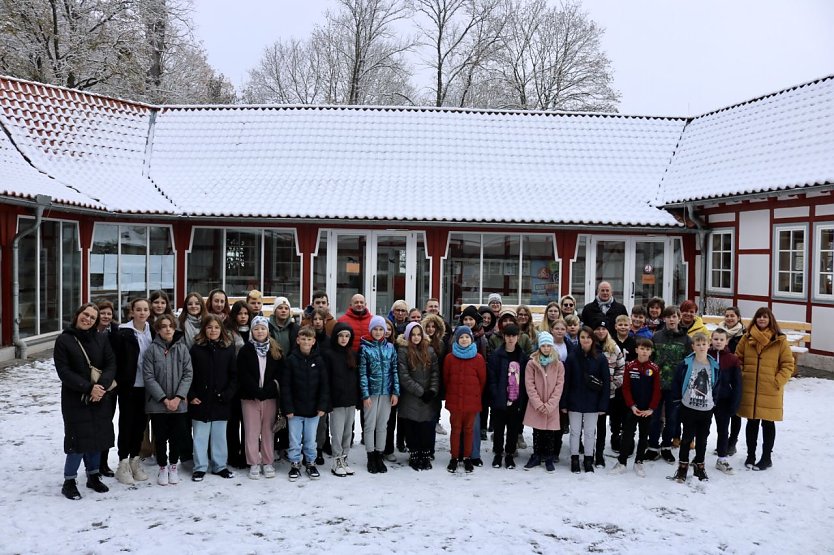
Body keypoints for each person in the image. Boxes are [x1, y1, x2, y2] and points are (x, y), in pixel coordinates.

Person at [54, 303, 116, 499]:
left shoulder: (101, 338)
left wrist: (101, 387)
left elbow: (111, 364)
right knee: (77, 440)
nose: (87, 319)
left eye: (92, 317)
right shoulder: (64, 340)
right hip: (76, 398)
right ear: (77, 315)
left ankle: (93, 476)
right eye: (85, 314)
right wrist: (89, 388)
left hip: (100, 396)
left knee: (97, 439)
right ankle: (69, 481)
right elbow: (64, 372)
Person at [735, 307, 794, 471]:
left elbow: (788, 364)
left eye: (765, 317)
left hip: (770, 389)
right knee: (752, 422)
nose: (762, 319)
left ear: (770, 320)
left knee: (768, 424)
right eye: (759, 317)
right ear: (755, 319)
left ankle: (766, 457)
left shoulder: (779, 340)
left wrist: (777, 381)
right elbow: (737, 358)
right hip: (750, 387)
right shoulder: (746, 338)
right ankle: (751, 455)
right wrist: (743, 374)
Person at [142, 314, 192, 486]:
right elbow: (148, 377)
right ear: (158, 329)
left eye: (170, 325)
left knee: (176, 436)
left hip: (178, 403)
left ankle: (173, 466)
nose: (168, 329)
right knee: (161, 437)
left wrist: (178, 398)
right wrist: (164, 399)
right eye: (163, 326)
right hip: (158, 404)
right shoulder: (151, 350)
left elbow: (188, 374)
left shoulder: (182, 348)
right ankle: (162, 466)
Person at [188, 314, 237, 482]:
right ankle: (200, 467)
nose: (213, 330)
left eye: (216, 327)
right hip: (200, 400)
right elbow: (189, 374)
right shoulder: (196, 349)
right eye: (209, 327)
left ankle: (220, 465)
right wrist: (191, 395)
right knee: (200, 436)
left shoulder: (228, 349)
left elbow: (234, 376)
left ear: (221, 330)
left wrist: (228, 394)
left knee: (219, 436)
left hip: (221, 400)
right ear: (204, 330)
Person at [113, 298, 153, 485]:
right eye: (138, 309)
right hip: (129, 387)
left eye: (145, 309)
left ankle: (134, 460)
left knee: (140, 425)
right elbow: (117, 360)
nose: (142, 313)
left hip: (147, 387)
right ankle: (122, 463)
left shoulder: (151, 331)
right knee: (127, 424)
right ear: (132, 312)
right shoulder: (123, 332)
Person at [237, 316, 283, 480]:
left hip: (269, 397)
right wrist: (256, 390)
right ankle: (254, 462)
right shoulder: (245, 350)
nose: (260, 331)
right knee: (251, 431)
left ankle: (268, 461)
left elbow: (279, 373)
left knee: (268, 431)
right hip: (250, 397)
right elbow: (243, 374)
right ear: (252, 331)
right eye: (256, 329)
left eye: (263, 328)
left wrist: (268, 390)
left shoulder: (275, 350)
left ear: (267, 331)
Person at [282, 326, 330, 481]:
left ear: (314, 341)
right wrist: (287, 408)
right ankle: (295, 462)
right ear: (297, 340)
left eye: (309, 339)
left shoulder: (319, 360)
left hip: (313, 410)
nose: (306, 342)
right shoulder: (291, 360)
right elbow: (286, 386)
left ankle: (310, 462)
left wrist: (322, 406)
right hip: (295, 411)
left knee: (310, 439)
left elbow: (324, 385)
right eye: (303, 338)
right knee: (294, 439)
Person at [645, 305, 692, 464]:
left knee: (672, 419)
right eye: (669, 317)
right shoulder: (656, 337)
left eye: (674, 317)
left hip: (675, 387)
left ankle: (666, 446)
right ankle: (652, 446)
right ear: (664, 319)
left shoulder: (686, 340)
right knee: (655, 417)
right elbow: (650, 361)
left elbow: (689, 364)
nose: (671, 320)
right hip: (656, 386)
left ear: (679, 319)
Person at [671, 332, 719, 483]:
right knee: (687, 438)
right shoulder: (686, 364)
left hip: (706, 409)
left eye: (704, 344)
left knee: (703, 439)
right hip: (689, 407)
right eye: (698, 344)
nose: (701, 347)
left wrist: (714, 402)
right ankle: (683, 466)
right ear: (693, 346)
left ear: (708, 345)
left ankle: (699, 464)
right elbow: (677, 381)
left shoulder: (713, 365)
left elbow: (717, 385)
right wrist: (678, 400)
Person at [561, 327, 610, 474]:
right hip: (574, 401)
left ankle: (589, 458)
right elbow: (566, 381)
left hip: (593, 402)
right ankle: (574, 458)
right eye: (582, 337)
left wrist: (603, 404)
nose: (585, 340)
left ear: (593, 339)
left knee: (589, 432)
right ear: (579, 338)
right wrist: (564, 403)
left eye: (588, 337)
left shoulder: (600, 358)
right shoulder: (572, 357)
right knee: (575, 432)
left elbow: (606, 383)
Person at [611, 338, 660, 477]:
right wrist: (632, 406)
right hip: (631, 409)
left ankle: (639, 461)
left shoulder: (654, 368)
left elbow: (657, 391)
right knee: (627, 435)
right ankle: (622, 462)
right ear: (636, 350)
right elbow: (625, 388)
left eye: (647, 349)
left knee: (644, 436)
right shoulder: (630, 366)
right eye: (642, 348)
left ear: (651, 352)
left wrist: (651, 409)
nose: (644, 352)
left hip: (647, 411)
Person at [396, 322, 440, 470]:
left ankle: (425, 454)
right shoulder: (403, 351)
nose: (416, 337)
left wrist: (432, 390)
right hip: (411, 397)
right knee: (412, 428)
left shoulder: (430, 350)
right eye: (413, 334)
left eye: (418, 334)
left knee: (426, 428)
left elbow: (435, 372)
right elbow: (404, 376)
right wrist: (420, 392)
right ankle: (414, 454)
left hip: (428, 396)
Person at [359, 315, 400, 474]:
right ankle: (370, 455)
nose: (378, 332)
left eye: (380, 329)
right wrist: (365, 394)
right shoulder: (365, 348)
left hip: (386, 392)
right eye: (375, 329)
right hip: (372, 393)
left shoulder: (390, 347)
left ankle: (379, 453)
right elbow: (362, 373)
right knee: (370, 425)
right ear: (371, 330)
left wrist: (395, 391)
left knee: (383, 425)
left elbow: (394, 370)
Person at [444, 326, 486, 474]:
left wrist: (473, 395)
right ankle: (454, 457)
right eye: (461, 337)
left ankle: (467, 457)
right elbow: (446, 379)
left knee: (469, 430)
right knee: (455, 430)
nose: (464, 339)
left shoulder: (478, 358)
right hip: (455, 401)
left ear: (471, 339)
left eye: (467, 337)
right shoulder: (450, 358)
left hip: (471, 403)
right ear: (457, 339)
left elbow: (482, 381)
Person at [522, 332, 565, 473]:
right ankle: (536, 455)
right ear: (539, 347)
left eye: (548, 345)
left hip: (552, 405)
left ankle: (548, 457)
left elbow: (559, 386)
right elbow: (530, 385)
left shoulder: (558, 364)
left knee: (550, 433)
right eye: (543, 345)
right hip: (537, 404)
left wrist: (551, 404)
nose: (546, 348)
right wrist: (538, 404)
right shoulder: (532, 363)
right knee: (538, 431)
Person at [488, 324, 529, 469]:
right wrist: (495, 394)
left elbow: (525, 379)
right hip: (499, 399)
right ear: (504, 337)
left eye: (513, 336)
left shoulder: (522, 357)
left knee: (513, 429)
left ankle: (510, 454)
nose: (511, 339)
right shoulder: (496, 355)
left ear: (518, 337)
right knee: (498, 429)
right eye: (508, 336)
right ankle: (498, 453)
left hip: (516, 399)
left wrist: (522, 398)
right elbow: (492, 377)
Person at [325, 323, 360, 477]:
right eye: (341, 335)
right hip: (336, 401)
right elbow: (326, 380)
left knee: (348, 433)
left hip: (350, 400)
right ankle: (336, 460)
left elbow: (357, 378)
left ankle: (344, 459)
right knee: (337, 433)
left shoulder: (352, 354)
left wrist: (358, 398)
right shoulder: (329, 355)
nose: (344, 339)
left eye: (347, 336)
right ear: (336, 337)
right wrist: (328, 400)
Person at [709, 328, 742, 475]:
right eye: (716, 339)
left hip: (723, 400)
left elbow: (737, 384)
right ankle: (698, 457)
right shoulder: (705, 355)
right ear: (711, 339)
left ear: (726, 341)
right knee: (702, 429)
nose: (718, 342)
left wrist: (734, 404)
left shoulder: (732, 359)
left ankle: (722, 458)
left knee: (723, 430)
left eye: (721, 339)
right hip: (706, 399)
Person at [592, 322, 625, 468]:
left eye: (603, 329)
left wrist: (611, 386)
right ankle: (588, 452)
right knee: (589, 426)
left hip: (608, 395)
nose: (600, 331)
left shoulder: (614, 347)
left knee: (601, 425)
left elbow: (621, 370)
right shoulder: (589, 346)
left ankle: (599, 455)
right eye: (597, 329)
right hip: (590, 394)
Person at [95, 300, 119, 477]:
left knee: (106, 424)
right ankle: (93, 464)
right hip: (92, 384)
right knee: (94, 424)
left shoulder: (117, 332)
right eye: (102, 313)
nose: (105, 316)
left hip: (111, 385)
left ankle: (103, 462)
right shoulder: (89, 332)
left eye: (109, 313)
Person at [225, 300, 251, 469]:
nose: (243, 317)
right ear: (234, 315)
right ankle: (233, 454)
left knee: (249, 422)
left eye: (246, 314)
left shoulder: (256, 329)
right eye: (240, 313)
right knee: (233, 421)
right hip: (233, 381)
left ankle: (248, 454)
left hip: (250, 382)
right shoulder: (228, 332)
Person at [722, 306, 746, 453]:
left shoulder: (743, 334)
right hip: (723, 375)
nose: (729, 318)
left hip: (736, 374)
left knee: (735, 411)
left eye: (732, 316)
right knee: (723, 412)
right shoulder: (720, 331)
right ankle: (723, 441)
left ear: (738, 317)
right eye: (727, 316)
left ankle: (733, 442)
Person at [422, 313, 449, 441]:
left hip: (436, 381)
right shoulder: (420, 342)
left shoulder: (441, 344)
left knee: (435, 407)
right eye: (428, 326)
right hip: (422, 380)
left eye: (433, 327)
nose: (430, 329)